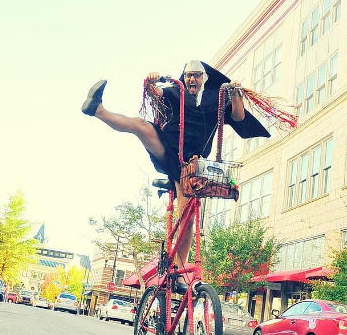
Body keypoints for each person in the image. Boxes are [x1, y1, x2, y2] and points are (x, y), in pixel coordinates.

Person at [82, 60, 270, 292]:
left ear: (204, 79)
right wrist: (152, 83)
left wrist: (236, 92)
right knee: (141, 126)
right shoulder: (175, 91)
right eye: (188, 75)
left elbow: (239, 117)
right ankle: (98, 110)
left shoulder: (216, 99)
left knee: (188, 214)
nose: (192, 80)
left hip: (193, 163)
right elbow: (156, 94)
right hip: (169, 148)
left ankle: (179, 270)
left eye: (196, 76)